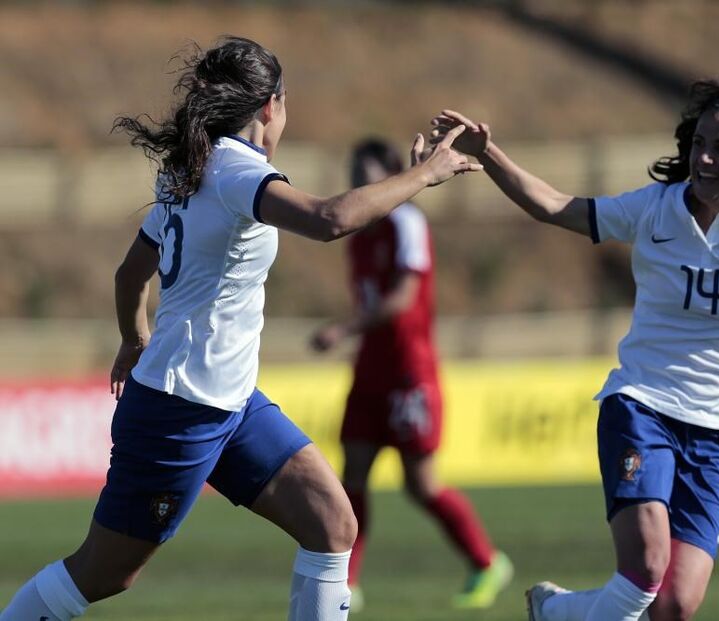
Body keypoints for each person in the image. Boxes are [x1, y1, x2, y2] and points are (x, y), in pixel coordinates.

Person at [0, 36, 480, 621]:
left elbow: (131, 275)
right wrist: (426, 175)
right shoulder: (233, 170)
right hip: (181, 411)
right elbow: (329, 220)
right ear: (270, 107)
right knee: (103, 573)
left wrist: (134, 337)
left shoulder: (192, 168)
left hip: (229, 403)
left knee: (332, 522)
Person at [429, 79, 719, 621]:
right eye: (698, 142)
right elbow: (554, 206)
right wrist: (487, 153)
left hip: (715, 432)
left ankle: (558, 613)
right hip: (641, 406)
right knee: (646, 568)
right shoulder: (655, 208)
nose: (703, 157)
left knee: (676, 604)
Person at [310, 137, 513, 611]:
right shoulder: (358, 233)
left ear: (391, 177)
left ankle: (487, 562)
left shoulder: (406, 222)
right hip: (371, 372)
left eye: (370, 176)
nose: (361, 185)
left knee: (421, 486)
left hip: (408, 373)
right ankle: (347, 582)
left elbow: (402, 298)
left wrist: (345, 329)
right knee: (352, 476)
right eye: (355, 176)